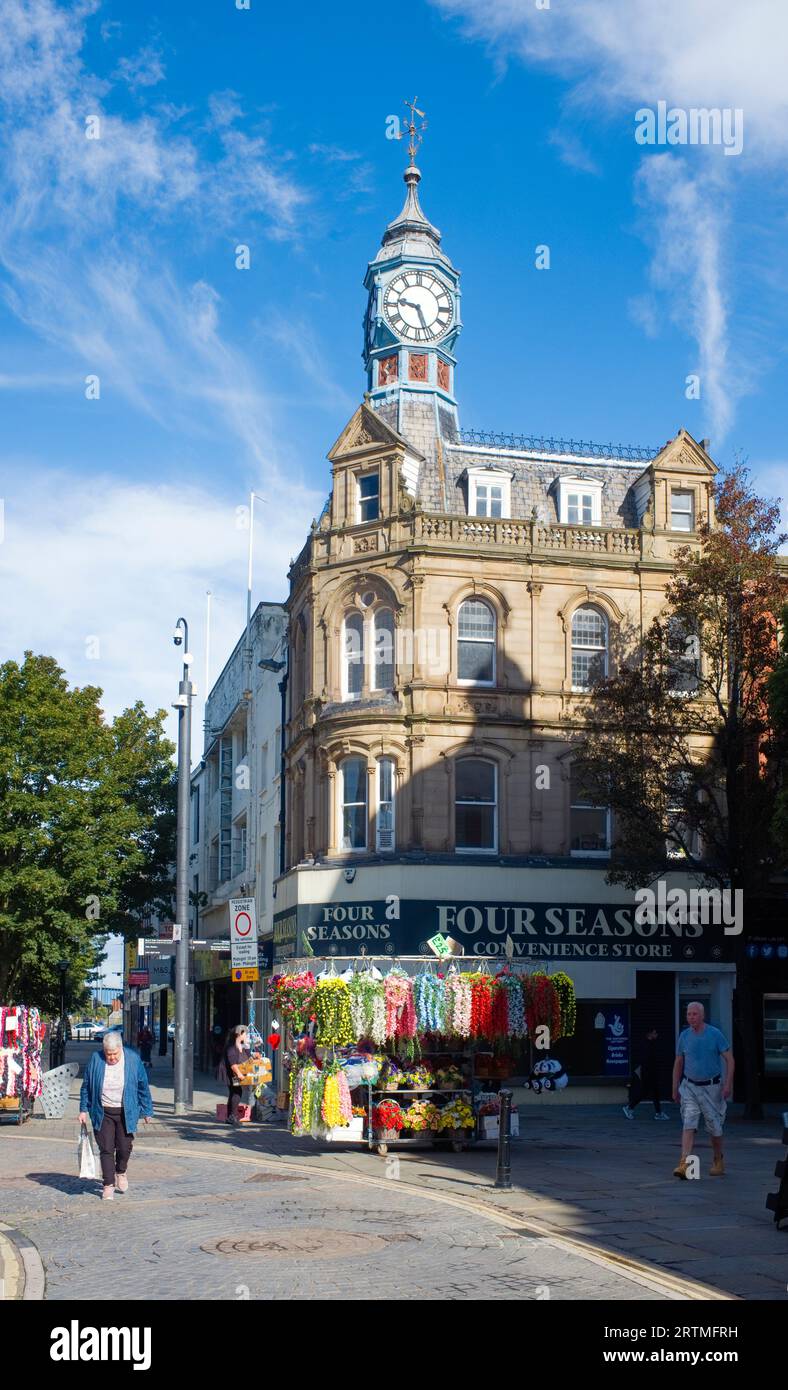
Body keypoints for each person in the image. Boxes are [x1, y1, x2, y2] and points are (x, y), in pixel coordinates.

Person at [78, 1031, 153, 1200]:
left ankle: (121, 1171)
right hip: (102, 1110)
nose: (111, 1058)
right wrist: (83, 1109)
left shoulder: (133, 1060)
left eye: (114, 1054)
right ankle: (108, 1184)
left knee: (125, 1147)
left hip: (126, 1111)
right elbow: (86, 1086)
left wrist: (147, 1110)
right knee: (106, 1149)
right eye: (108, 1054)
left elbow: (143, 1086)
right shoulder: (96, 1059)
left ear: (121, 1048)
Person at [672, 1001, 734, 1179]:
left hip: (712, 1087)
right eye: (689, 1014)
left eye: (694, 1014)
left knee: (714, 1128)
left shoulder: (715, 1034)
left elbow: (730, 1060)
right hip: (690, 1086)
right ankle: (685, 1163)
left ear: (702, 1015)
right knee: (689, 1122)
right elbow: (678, 1062)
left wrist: (728, 1084)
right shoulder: (684, 1036)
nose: (691, 1017)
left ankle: (718, 1158)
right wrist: (675, 1087)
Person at [623, 1028, 668, 1119]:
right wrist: (648, 1073)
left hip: (650, 1072)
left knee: (653, 1092)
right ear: (650, 1034)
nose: (657, 1035)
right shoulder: (646, 1045)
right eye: (655, 1033)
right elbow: (646, 1060)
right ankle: (629, 1107)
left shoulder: (651, 1044)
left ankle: (658, 1113)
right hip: (648, 1073)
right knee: (645, 1092)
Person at [222, 1024, 258, 1126]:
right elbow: (233, 1065)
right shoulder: (231, 1048)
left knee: (234, 1092)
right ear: (240, 1034)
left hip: (236, 1074)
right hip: (232, 1074)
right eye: (245, 1034)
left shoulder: (242, 1046)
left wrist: (254, 1056)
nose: (247, 1036)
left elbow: (249, 1059)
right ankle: (232, 1117)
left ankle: (230, 1116)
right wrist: (240, 1075)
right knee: (236, 1092)